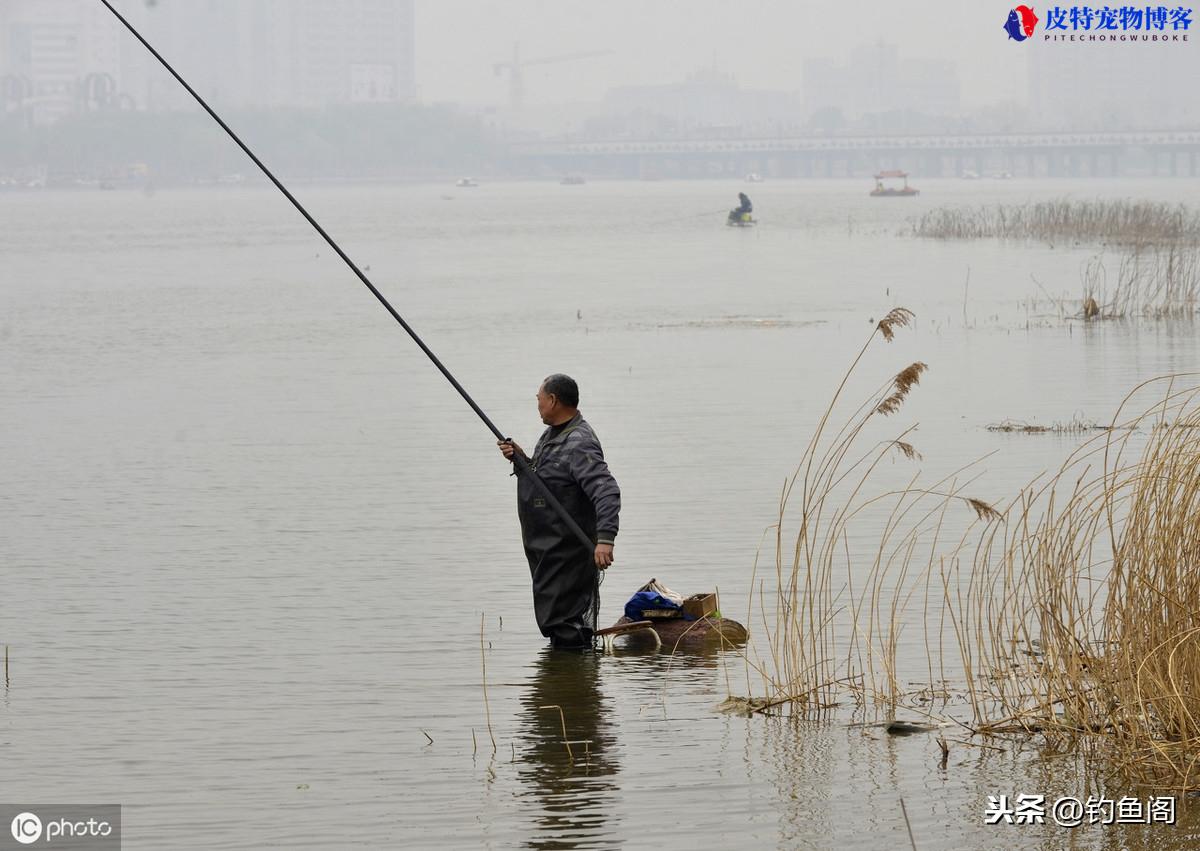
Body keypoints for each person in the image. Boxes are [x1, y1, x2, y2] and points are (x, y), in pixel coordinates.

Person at [498, 374, 621, 649]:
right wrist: (521, 460)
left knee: (566, 624)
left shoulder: (579, 441)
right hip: (549, 551)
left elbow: (606, 490)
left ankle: (572, 683)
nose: (538, 406)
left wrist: (605, 539)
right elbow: (549, 481)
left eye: (539, 400)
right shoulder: (552, 434)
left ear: (553, 400)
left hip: (569, 552)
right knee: (557, 621)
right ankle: (569, 676)